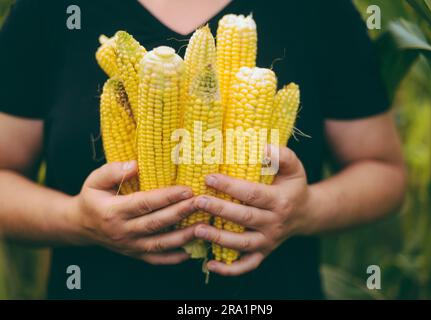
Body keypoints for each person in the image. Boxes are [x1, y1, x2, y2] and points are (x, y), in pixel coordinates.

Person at [0, 0, 406, 299]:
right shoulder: (46, 11)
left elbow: (383, 172)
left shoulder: (321, 10)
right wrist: (77, 221)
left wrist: (306, 210)